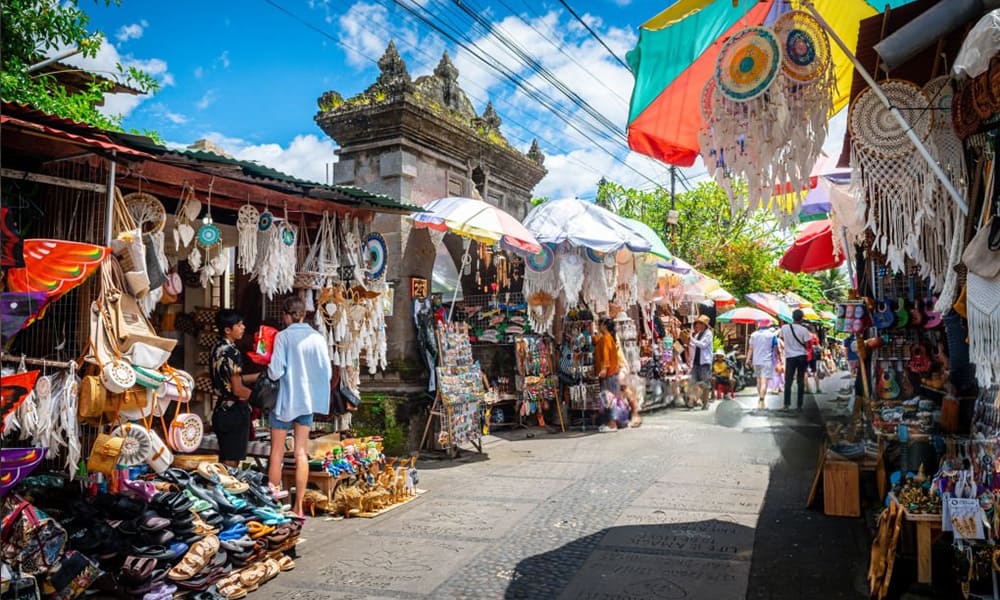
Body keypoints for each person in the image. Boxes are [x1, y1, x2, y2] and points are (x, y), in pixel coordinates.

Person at [267, 296, 333, 517]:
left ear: (286, 315)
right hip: (307, 402)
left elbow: (276, 371)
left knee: (276, 452)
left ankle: (274, 505)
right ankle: (299, 506)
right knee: (301, 453)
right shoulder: (317, 338)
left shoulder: (283, 337)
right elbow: (327, 372)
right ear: (304, 314)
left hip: (285, 401)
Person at [210, 309, 259, 468]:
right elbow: (237, 390)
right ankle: (227, 491)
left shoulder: (216, 348)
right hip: (234, 413)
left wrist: (257, 377)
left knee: (224, 459)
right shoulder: (233, 352)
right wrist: (259, 398)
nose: (243, 327)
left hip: (220, 410)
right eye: (239, 325)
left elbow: (231, 379)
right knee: (231, 463)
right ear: (227, 330)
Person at [780, 309, 812, 411]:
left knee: (788, 381)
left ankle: (786, 404)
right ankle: (799, 405)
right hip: (802, 356)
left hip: (790, 357)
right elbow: (807, 345)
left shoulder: (784, 328)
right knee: (800, 380)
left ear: (792, 317)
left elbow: (781, 338)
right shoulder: (804, 330)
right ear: (801, 318)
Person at [746, 321, 776, 410]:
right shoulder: (772, 335)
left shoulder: (753, 335)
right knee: (764, 382)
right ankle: (762, 400)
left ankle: (760, 399)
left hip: (756, 361)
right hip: (767, 361)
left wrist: (747, 359)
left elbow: (750, 348)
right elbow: (775, 348)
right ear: (768, 325)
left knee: (758, 381)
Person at [688, 314, 714, 410]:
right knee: (693, 382)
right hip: (696, 361)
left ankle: (705, 402)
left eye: (699, 324)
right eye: (697, 324)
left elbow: (703, 345)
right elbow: (693, 345)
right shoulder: (698, 334)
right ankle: (693, 400)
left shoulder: (708, 333)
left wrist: (692, 339)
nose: (697, 326)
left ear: (704, 325)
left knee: (704, 383)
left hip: (704, 362)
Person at [594, 318, 620, 395]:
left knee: (609, 402)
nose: (598, 326)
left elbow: (606, 354)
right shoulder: (606, 337)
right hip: (611, 374)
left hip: (609, 375)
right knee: (611, 401)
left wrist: (604, 369)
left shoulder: (606, 338)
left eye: (600, 325)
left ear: (605, 326)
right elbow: (596, 342)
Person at [804, 324, 821, 394]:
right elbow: (818, 346)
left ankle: (807, 389)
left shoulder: (803, 336)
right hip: (813, 355)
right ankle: (818, 388)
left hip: (804, 355)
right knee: (815, 371)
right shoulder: (814, 336)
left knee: (804, 372)